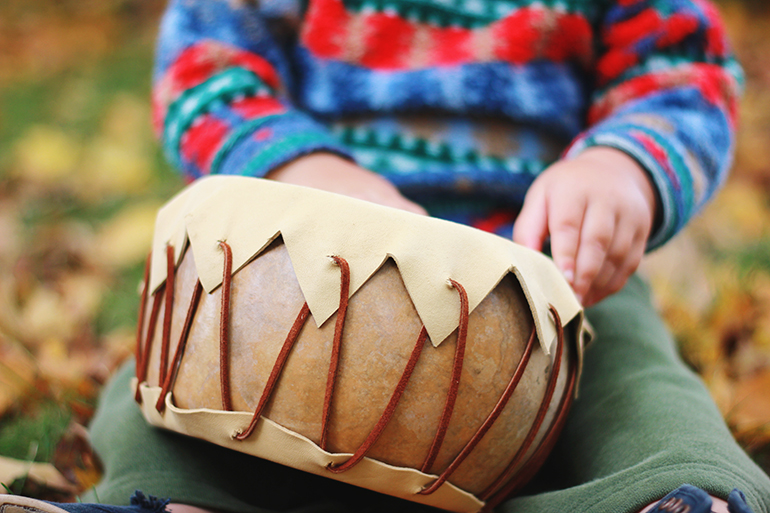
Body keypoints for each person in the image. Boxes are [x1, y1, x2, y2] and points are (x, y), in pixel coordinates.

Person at [3, 0, 769, 512]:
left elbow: (680, 77)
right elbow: (205, 65)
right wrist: (301, 165)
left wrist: (622, 168)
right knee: (170, 389)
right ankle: (170, 496)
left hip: (541, 281)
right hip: (300, 255)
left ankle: (674, 487)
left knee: (636, 379)